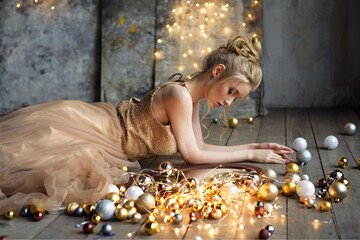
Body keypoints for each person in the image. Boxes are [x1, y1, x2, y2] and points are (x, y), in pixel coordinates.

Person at [0, 35, 293, 214]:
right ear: (218, 72)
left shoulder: (189, 97)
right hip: (100, 132)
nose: (229, 103)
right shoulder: (179, 95)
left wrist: (254, 146)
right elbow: (192, 157)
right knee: (20, 160)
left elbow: (199, 148)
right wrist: (251, 154)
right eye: (232, 92)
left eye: (236, 99)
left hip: (109, 133)